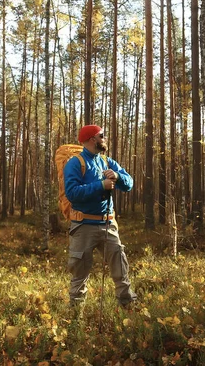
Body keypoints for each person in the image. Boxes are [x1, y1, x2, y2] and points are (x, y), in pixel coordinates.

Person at [64, 124, 137, 308]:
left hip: (108, 225)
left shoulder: (107, 161)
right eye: (101, 135)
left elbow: (129, 184)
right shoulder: (75, 163)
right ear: (91, 139)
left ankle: (128, 309)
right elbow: (72, 193)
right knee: (79, 275)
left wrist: (118, 177)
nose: (104, 138)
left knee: (121, 271)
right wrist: (100, 186)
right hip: (83, 227)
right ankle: (75, 320)